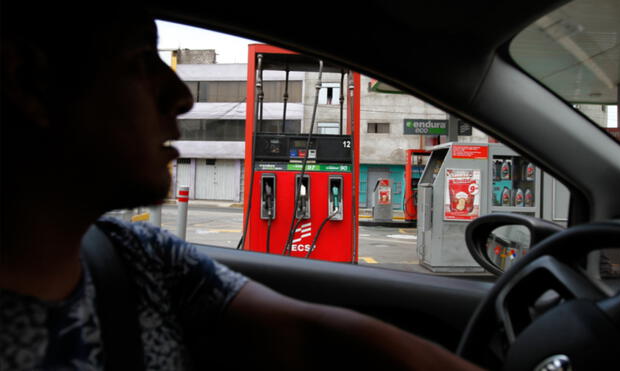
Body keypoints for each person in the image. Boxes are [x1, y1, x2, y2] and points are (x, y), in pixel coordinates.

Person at [0, 4, 483, 370]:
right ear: (30, 82)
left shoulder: (136, 256)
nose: (182, 97)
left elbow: (315, 334)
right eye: (141, 61)